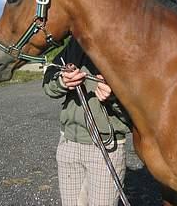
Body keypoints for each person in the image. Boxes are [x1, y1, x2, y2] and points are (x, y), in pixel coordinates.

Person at [43, 38, 131, 206]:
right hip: (68, 144)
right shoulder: (75, 45)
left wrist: (113, 97)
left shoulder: (125, 48)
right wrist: (62, 82)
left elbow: (137, 113)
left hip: (106, 149)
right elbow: (48, 84)